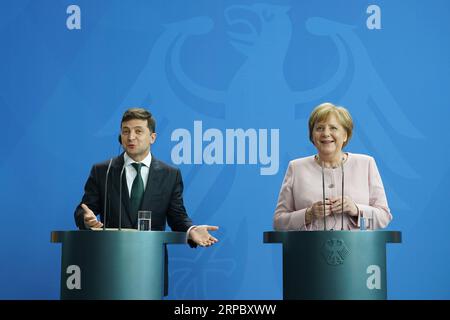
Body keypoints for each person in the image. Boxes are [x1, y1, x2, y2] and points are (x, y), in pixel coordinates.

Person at [74, 107, 219, 244]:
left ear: (152, 137)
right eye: (126, 131)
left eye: (138, 131)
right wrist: (86, 219)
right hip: (111, 258)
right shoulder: (103, 171)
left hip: (151, 260)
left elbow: (177, 217)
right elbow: (84, 209)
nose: (131, 137)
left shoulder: (169, 175)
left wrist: (192, 230)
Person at [273, 102, 392, 231]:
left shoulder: (366, 164)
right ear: (312, 135)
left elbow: (384, 216)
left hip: (357, 249)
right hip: (308, 249)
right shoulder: (296, 168)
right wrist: (308, 214)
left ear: (345, 135)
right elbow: (279, 222)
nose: (326, 133)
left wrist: (356, 210)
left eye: (333, 128)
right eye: (319, 128)